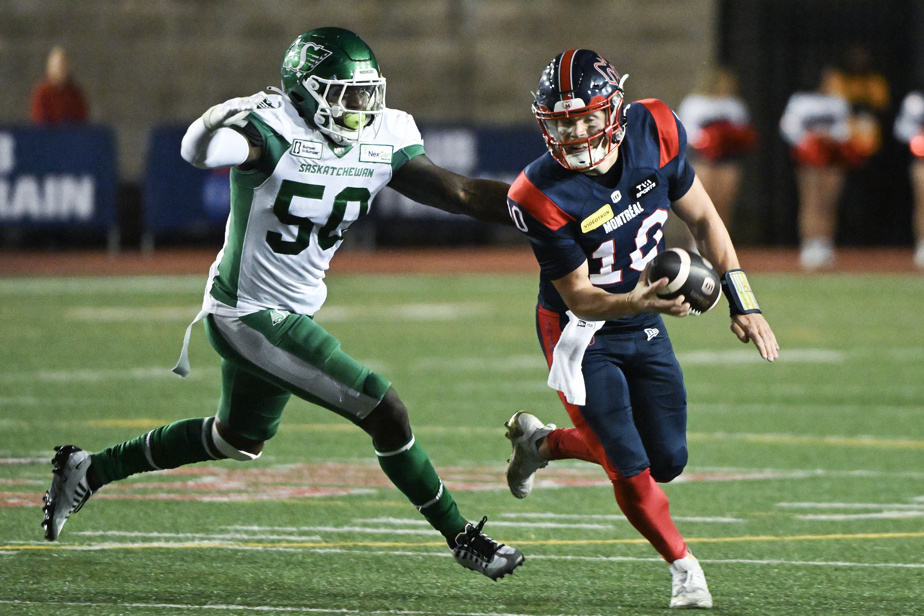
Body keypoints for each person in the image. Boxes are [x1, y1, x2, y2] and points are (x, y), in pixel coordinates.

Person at [40, 27, 524, 582]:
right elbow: (194, 152)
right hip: (246, 314)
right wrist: (217, 116)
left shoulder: (384, 135)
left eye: (366, 92)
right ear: (305, 91)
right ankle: (461, 536)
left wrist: (539, 211)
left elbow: (459, 194)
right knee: (384, 409)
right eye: (343, 93)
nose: (360, 106)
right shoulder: (272, 129)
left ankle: (90, 468)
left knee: (236, 439)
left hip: (290, 314)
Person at [503, 49, 779, 609]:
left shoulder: (657, 129)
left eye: (586, 118)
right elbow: (578, 293)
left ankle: (541, 443)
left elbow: (702, 218)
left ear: (615, 110)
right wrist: (638, 299)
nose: (577, 134)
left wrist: (742, 300)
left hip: (642, 316)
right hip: (579, 331)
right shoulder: (537, 193)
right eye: (563, 123)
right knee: (628, 464)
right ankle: (684, 567)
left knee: (667, 459)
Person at [779, 68, 867, 269]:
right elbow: (788, 126)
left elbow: (846, 127)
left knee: (829, 202)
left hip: (833, 158)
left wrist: (831, 137)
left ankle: (825, 243)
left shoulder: (838, 101)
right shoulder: (800, 100)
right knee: (811, 200)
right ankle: (810, 244)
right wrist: (809, 142)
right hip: (809, 158)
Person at [676, 66, 757, 241]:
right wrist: (708, 139)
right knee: (700, 204)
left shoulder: (734, 105)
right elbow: (684, 130)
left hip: (727, 160)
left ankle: (719, 243)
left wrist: (727, 140)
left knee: (723, 204)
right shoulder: (694, 103)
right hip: (702, 159)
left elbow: (743, 132)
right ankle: (696, 244)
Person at [893, 89, 924, 268]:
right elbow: (901, 129)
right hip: (922, 160)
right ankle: (922, 244)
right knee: (922, 202)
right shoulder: (915, 100)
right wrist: (918, 134)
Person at [30, 45, 89, 124]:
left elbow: (82, 119)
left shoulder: (75, 93)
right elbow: (40, 121)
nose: (61, 68)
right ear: (50, 66)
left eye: (64, 64)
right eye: (58, 65)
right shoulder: (42, 93)